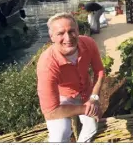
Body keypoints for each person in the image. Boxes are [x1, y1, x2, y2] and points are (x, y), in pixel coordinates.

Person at [37, 12, 104, 142]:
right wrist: (85, 109)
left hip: (86, 93)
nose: (68, 38)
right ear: (52, 37)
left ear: (78, 31)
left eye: (71, 31)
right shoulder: (47, 64)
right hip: (62, 97)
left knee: (92, 127)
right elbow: (51, 111)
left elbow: (99, 72)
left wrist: (94, 98)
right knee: (60, 134)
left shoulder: (89, 43)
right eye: (60, 33)